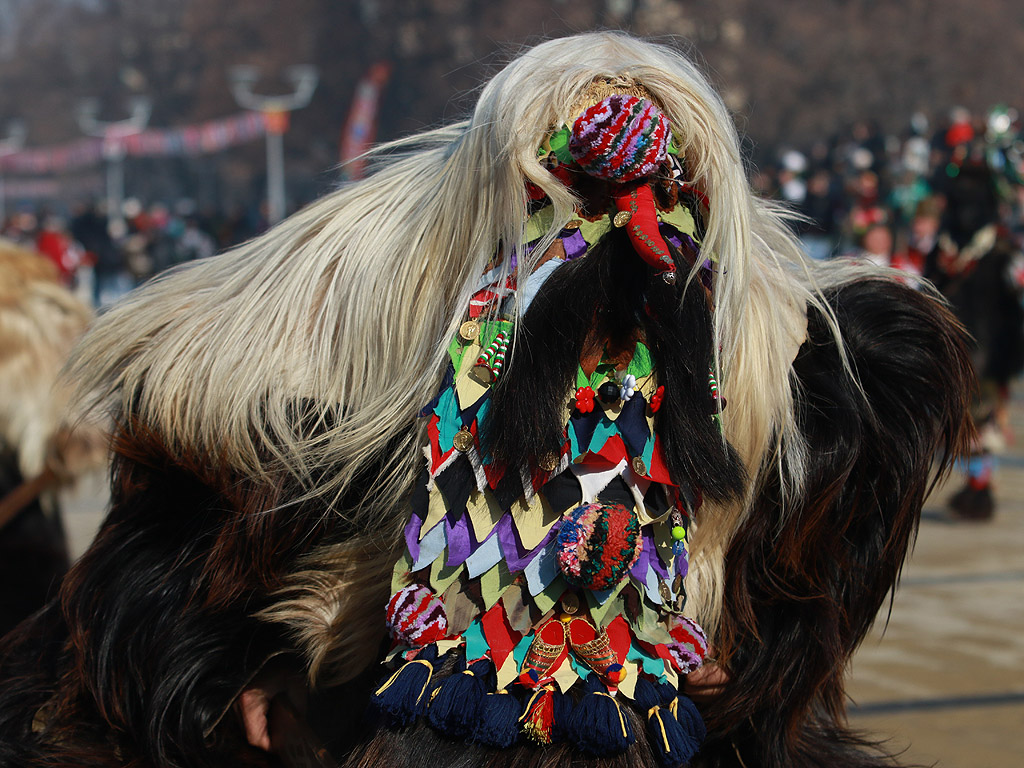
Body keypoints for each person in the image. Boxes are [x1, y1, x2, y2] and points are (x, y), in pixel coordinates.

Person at [0, 33, 972, 768]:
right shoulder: (334, 295)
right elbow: (181, 470)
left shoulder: (803, 349)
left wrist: (747, 662)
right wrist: (242, 662)